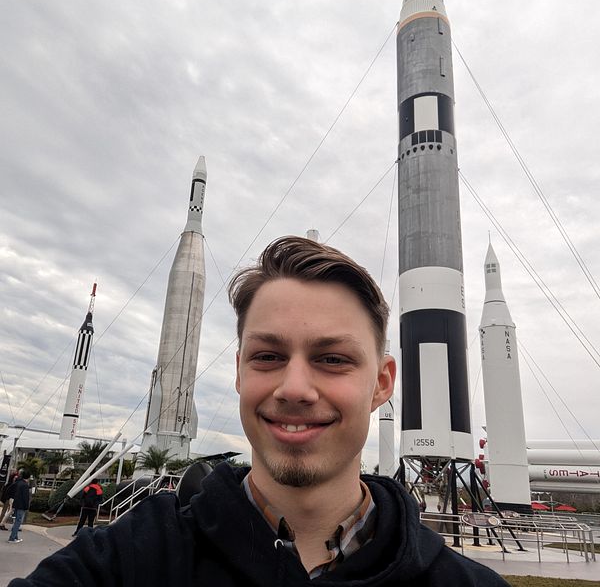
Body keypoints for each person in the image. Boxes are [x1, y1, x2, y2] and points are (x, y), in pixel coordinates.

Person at [9, 236, 509, 585]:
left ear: (382, 384)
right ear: (239, 372)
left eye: (332, 359)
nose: (294, 389)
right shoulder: (124, 561)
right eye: (268, 356)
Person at [8, 470, 30, 544]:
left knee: (17, 520)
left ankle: (15, 536)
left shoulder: (18, 483)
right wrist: (26, 506)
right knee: (18, 521)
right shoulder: (25, 485)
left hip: (16, 503)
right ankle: (12, 537)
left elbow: (10, 489)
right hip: (21, 505)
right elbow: (26, 497)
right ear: (28, 477)